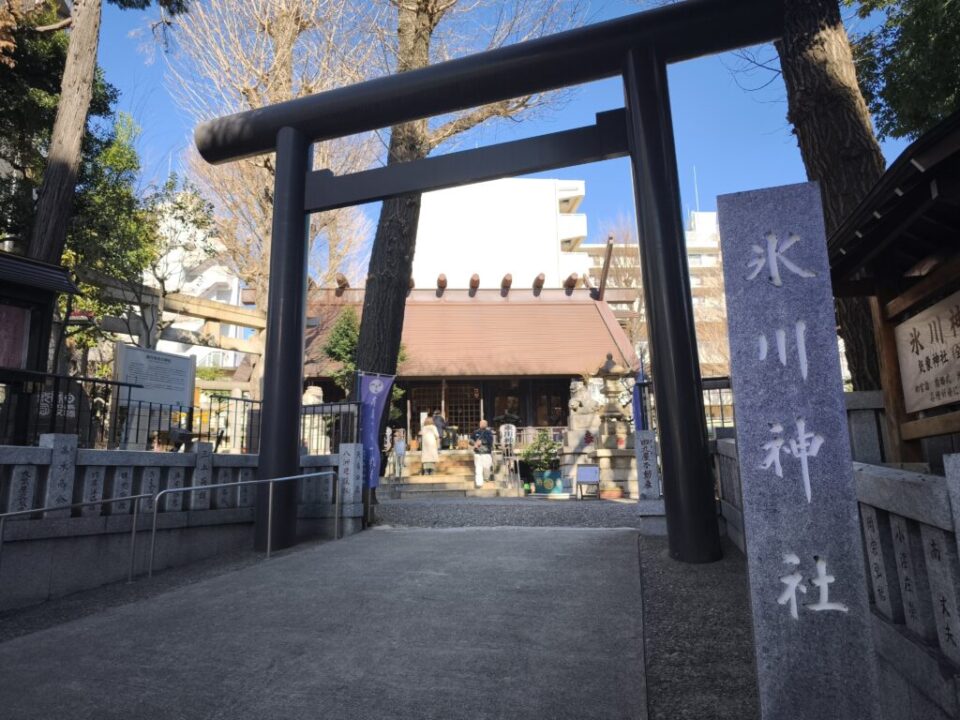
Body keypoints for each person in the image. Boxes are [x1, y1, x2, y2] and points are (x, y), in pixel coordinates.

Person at [470, 419, 494, 488]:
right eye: (481, 423)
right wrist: (474, 443)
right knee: (478, 468)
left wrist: (482, 442)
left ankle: (486, 478)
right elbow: (471, 440)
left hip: (486, 452)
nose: (482, 424)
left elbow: (490, 441)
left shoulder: (489, 432)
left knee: (486, 467)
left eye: (484, 423)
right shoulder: (475, 432)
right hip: (478, 453)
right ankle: (479, 483)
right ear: (479, 424)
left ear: (486, 425)